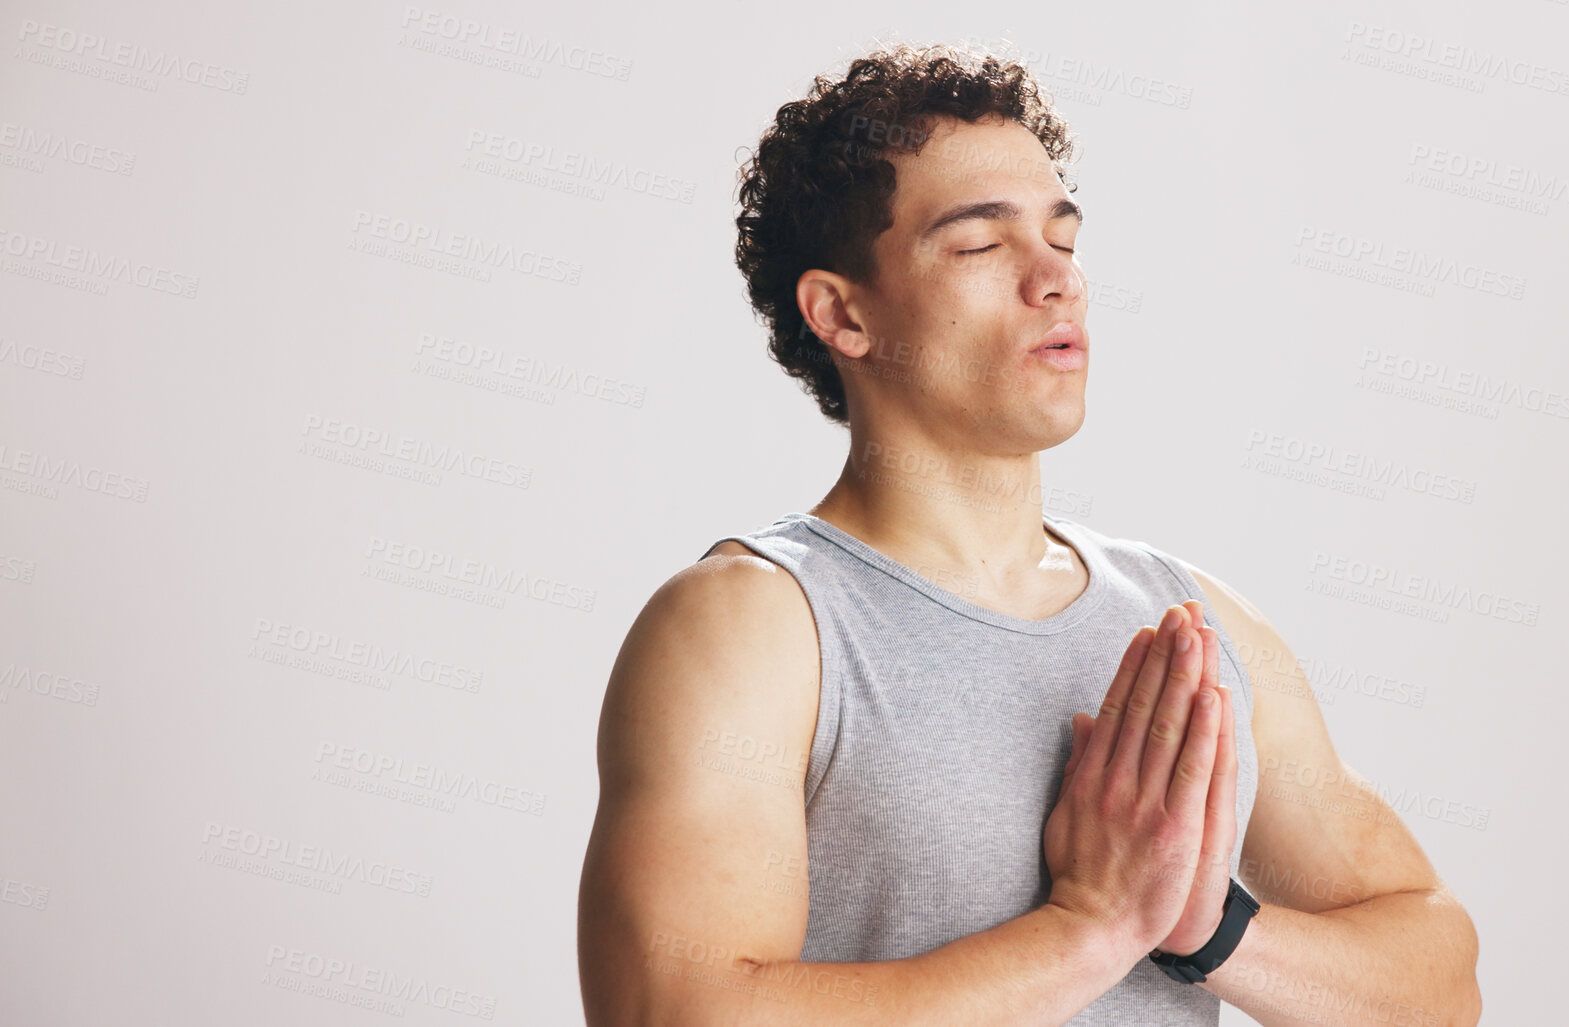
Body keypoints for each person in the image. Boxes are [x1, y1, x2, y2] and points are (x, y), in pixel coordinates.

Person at [578, 42, 1480, 1026]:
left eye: (1064, 235)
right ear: (842, 313)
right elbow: (672, 1009)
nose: (1057, 279)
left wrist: (1209, 930)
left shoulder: (1195, 621)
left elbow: (1438, 983)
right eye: (981, 244)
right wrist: (1086, 927)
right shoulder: (748, 627)